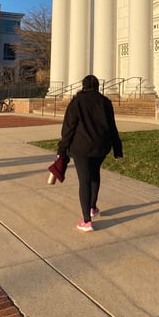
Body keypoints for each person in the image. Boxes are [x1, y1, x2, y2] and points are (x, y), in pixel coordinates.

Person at [57, 74, 123, 232]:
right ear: (97, 86)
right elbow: (112, 126)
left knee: (84, 181)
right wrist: (117, 148)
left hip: (81, 148)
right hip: (101, 147)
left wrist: (62, 148)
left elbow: (69, 127)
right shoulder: (105, 102)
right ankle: (93, 207)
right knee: (95, 175)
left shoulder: (77, 102)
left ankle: (86, 220)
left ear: (83, 86)